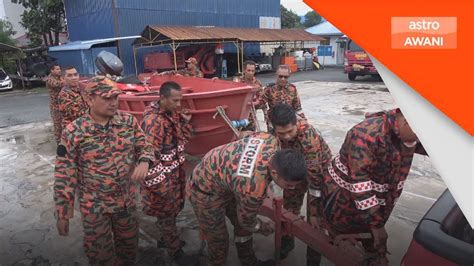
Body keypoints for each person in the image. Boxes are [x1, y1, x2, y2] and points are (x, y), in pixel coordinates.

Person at [53, 76, 154, 265]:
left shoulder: (128, 122)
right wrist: (62, 213)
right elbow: (64, 174)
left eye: (115, 97)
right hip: (95, 208)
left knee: (129, 252)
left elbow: (145, 146)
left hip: (126, 204)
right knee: (100, 257)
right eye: (107, 98)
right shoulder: (74, 132)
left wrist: (144, 161)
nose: (113, 102)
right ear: (89, 99)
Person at [321, 108, 428, 265]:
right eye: (419, 138)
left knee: (373, 242)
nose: (419, 142)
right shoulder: (365, 134)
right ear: (407, 122)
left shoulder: (409, 131)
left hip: (378, 202)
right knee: (344, 245)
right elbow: (360, 183)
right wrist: (376, 226)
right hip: (343, 201)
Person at [189, 132, 307, 266]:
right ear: (274, 173)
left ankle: (249, 262)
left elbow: (243, 135)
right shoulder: (253, 188)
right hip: (204, 191)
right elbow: (247, 221)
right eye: (288, 185)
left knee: (242, 229)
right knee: (218, 241)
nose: (291, 189)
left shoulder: (269, 139)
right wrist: (264, 227)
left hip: (224, 178)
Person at [269, 103, 332, 264]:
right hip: (293, 168)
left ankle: (313, 259)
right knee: (289, 209)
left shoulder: (308, 136)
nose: (287, 137)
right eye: (282, 133)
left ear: (296, 123)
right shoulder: (274, 133)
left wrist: (314, 211)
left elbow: (315, 177)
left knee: (316, 223)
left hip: (319, 173)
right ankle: (287, 243)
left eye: (290, 131)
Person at [141, 81, 194, 264]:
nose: (178, 105)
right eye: (175, 101)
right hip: (162, 178)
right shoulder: (153, 122)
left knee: (172, 212)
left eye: (180, 100)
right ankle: (175, 252)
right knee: (166, 213)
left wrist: (185, 123)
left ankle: (166, 239)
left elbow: (183, 138)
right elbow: (148, 157)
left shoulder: (172, 114)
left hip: (174, 173)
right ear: (162, 98)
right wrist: (160, 187)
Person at [260, 65, 305, 132]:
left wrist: (304, 120)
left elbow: (297, 107)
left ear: (289, 76)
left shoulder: (292, 89)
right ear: (276, 75)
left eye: (285, 77)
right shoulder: (269, 89)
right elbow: (260, 103)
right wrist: (266, 114)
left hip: (288, 123)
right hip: (274, 123)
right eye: (280, 76)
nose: (282, 79)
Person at [234, 60, 267, 131]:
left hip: (251, 119)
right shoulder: (237, 82)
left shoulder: (258, 83)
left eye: (253, 71)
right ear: (244, 70)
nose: (251, 73)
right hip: (238, 118)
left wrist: (257, 103)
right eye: (248, 70)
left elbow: (262, 99)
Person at [46, 64, 64, 143]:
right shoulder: (50, 79)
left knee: (65, 124)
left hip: (63, 105)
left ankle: (65, 141)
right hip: (55, 107)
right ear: (52, 70)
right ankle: (59, 143)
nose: (59, 70)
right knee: (58, 125)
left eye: (59, 69)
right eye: (57, 69)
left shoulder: (60, 77)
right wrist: (68, 81)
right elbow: (59, 84)